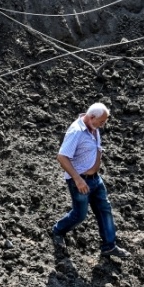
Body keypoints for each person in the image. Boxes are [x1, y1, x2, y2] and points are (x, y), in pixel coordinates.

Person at [50, 102, 130, 259]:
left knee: (104, 209)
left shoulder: (93, 128)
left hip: (95, 179)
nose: (102, 125)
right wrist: (77, 179)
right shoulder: (76, 132)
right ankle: (58, 230)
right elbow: (62, 156)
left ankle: (109, 246)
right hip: (81, 181)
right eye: (101, 122)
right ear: (92, 117)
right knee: (80, 215)